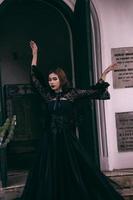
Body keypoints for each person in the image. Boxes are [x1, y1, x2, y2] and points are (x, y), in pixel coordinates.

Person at [20, 40, 124, 200]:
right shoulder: (47, 96)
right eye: (49, 80)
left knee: (73, 171)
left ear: (61, 79)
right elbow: (34, 79)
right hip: (49, 141)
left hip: (66, 140)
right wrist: (35, 55)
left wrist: (104, 74)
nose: (51, 82)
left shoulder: (72, 94)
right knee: (49, 173)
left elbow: (93, 91)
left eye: (54, 79)